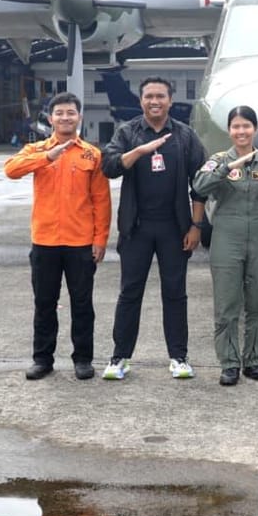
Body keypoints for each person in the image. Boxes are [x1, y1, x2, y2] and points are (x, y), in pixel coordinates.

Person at [100, 76, 207, 381]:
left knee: (175, 293)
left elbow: (201, 183)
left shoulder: (185, 135)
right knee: (129, 292)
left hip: (175, 229)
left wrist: (196, 225)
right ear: (141, 100)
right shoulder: (128, 132)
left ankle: (179, 357)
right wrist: (139, 151)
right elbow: (109, 166)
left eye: (160, 96)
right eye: (149, 96)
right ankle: (120, 357)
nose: (154, 101)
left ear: (170, 101)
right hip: (137, 228)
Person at [3, 92, 110, 381]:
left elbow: (101, 200)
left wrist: (100, 239)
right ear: (50, 119)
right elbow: (11, 170)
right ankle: (42, 359)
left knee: (82, 304)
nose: (65, 118)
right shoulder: (36, 149)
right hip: (45, 242)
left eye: (70, 113)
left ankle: (83, 359)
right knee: (44, 304)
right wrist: (46, 157)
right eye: (59, 113)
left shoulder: (92, 155)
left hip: (80, 243)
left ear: (79, 117)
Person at [192, 106, 258, 386]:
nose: (241, 131)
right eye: (236, 126)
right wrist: (227, 169)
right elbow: (199, 186)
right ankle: (229, 363)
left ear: (255, 129)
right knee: (227, 303)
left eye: (246, 126)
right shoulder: (218, 160)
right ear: (229, 130)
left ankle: (254, 360)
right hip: (226, 236)